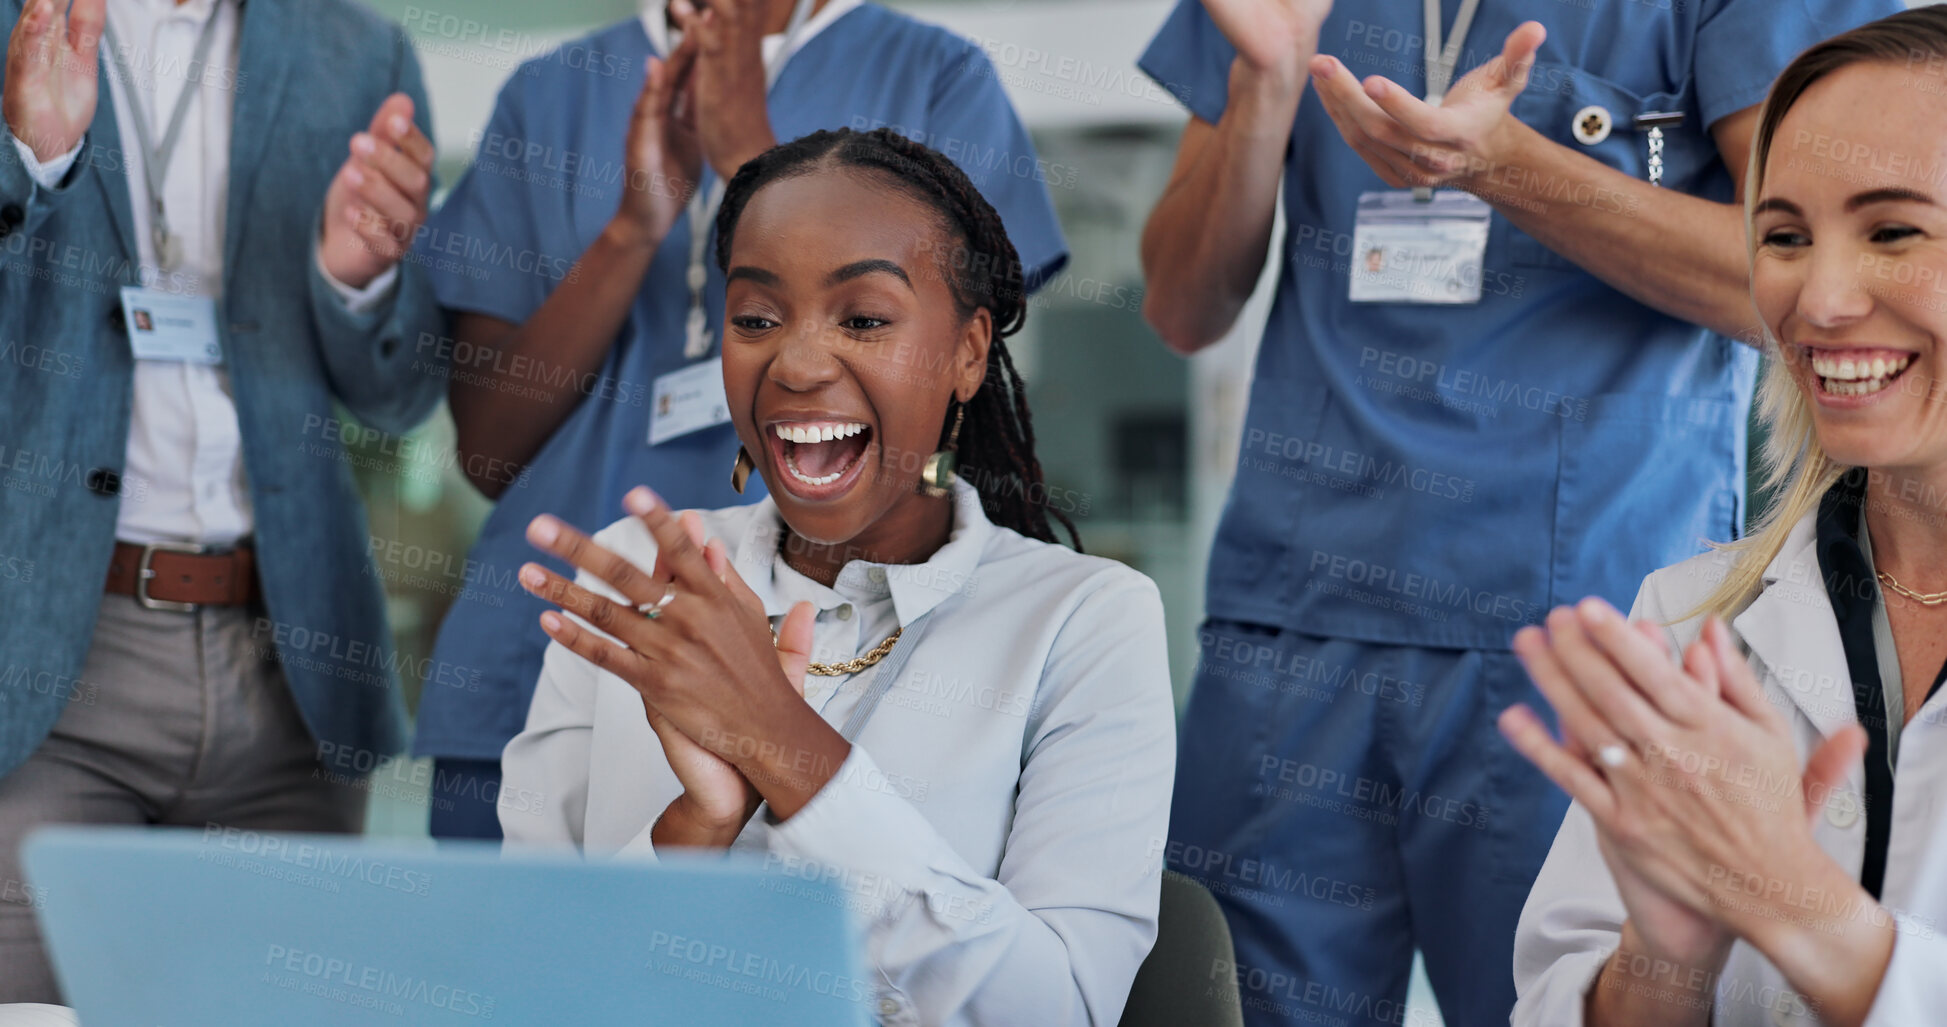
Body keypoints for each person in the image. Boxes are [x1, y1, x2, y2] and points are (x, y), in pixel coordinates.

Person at [1134, 0, 1901, 1023]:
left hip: (1582, 632)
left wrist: (1505, 167)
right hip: (1293, 614)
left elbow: (1805, 278)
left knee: (1575, 998)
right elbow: (1182, 306)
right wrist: (1262, 90)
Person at [499, 128, 1174, 1026]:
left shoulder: (1084, 620)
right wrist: (694, 828)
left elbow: (1056, 1006)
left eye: (863, 318)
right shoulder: (641, 579)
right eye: (756, 319)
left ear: (969, 352)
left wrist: (786, 747)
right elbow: (527, 991)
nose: (798, 363)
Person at [411, 0, 1068, 842]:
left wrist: (749, 153)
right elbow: (489, 451)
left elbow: (963, 379)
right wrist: (633, 226)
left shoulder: (936, 75)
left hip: (830, 658)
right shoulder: (549, 92)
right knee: (514, 962)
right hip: (547, 635)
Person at [0, 0, 445, 1003]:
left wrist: (360, 280)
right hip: (45, 672)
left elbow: (403, 393)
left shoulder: (358, 51)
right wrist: (25, 164)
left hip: (290, 664)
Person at [1509, 9, 1947, 1024]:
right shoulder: (1688, 618)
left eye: (1893, 231)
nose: (1819, 298)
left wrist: (1793, 905)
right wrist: (1666, 950)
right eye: (1785, 236)